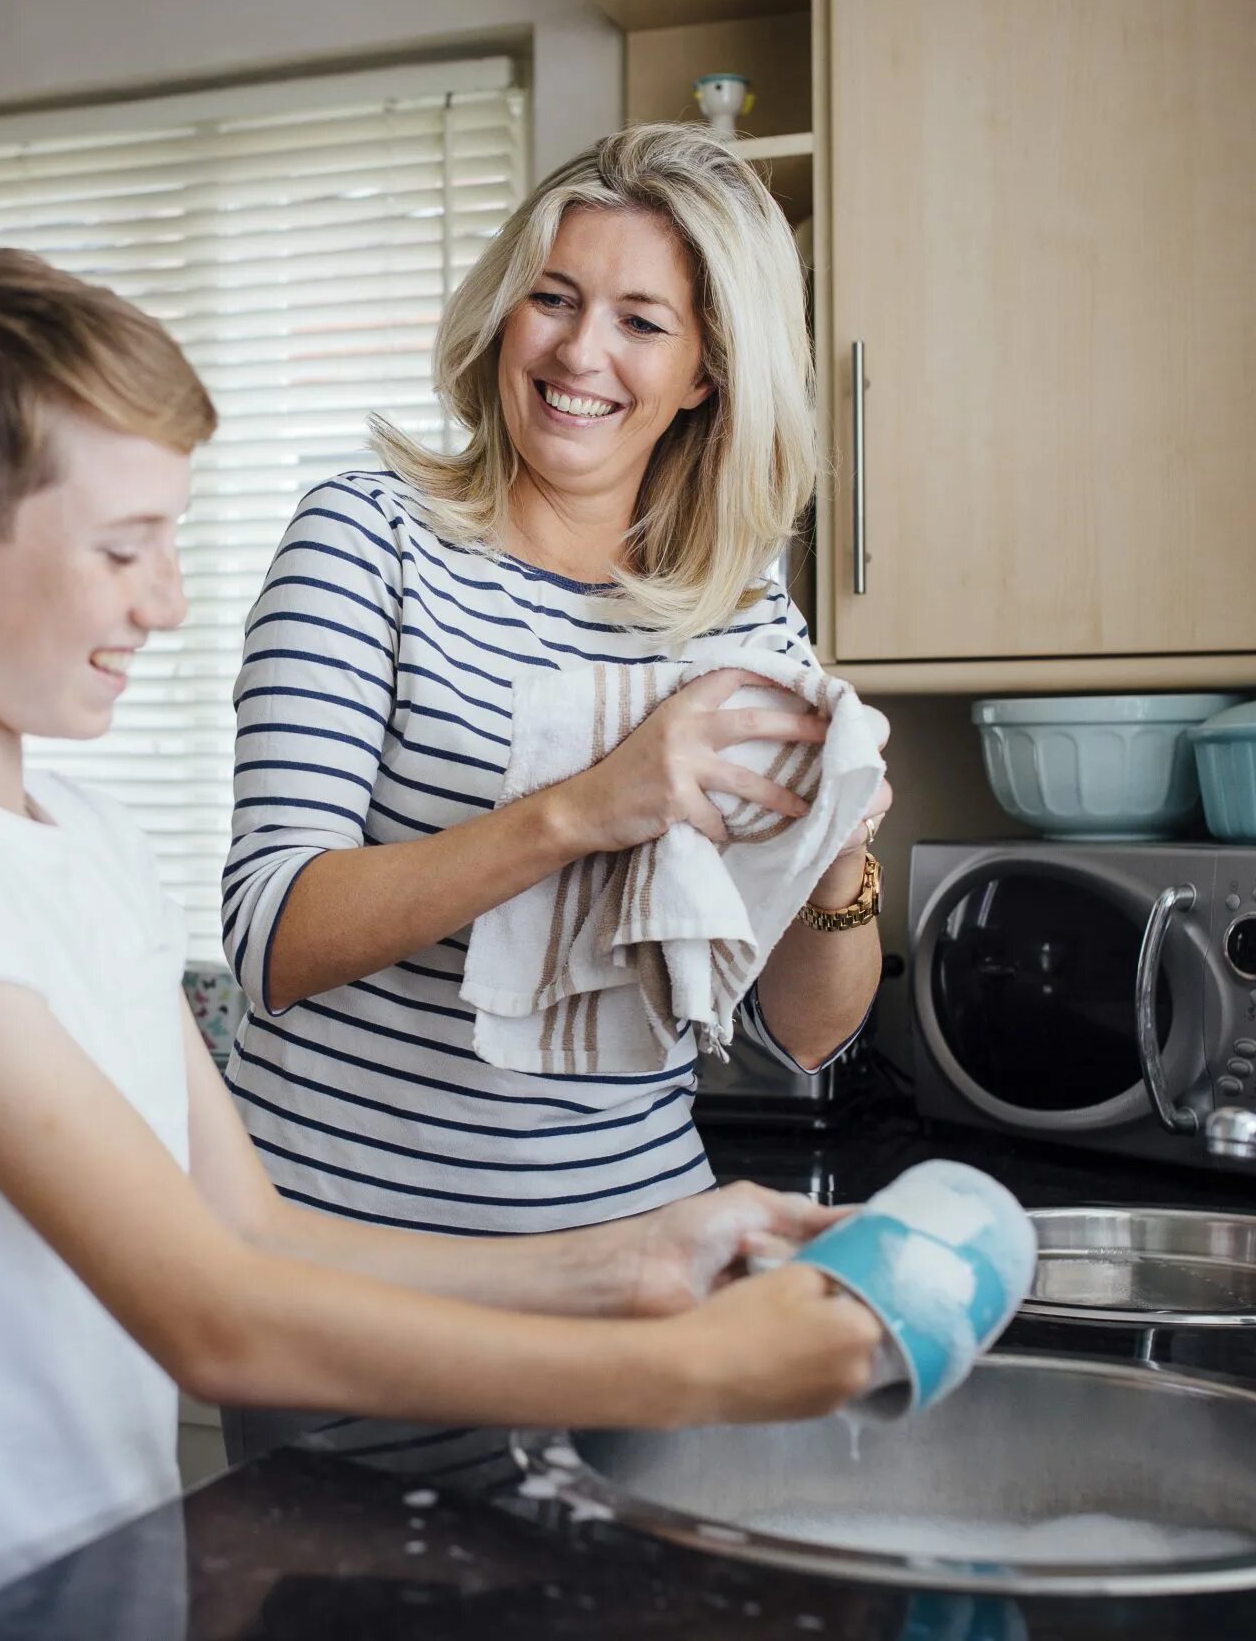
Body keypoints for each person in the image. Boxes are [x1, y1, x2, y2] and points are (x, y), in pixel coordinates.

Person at [0, 247, 893, 1641]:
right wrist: (697, 1374)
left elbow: (250, 1226)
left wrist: (639, 1261)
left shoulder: (76, 834)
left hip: (105, 1589)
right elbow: (214, 1315)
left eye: (171, 540)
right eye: (121, 546)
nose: (167, 600)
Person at [221, 122, 889, 1241]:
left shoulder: (745, 618)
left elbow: (801, 1036)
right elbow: (271, 938)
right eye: (552, 298)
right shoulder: (368, 539)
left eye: (640, 322)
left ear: (703, 374)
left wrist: (839, 861)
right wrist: (580, 812)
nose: (580, 354)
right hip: (350, 1281)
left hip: (636, 1264)